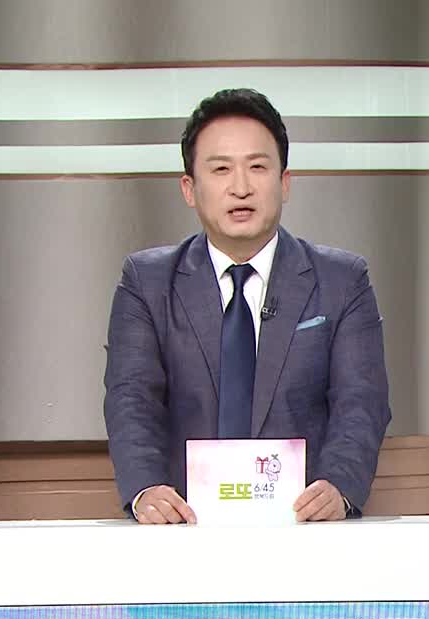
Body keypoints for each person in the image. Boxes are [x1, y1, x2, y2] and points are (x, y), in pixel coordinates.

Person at [104, 88, 392, 524]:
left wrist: (339, 487)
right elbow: (131, 399)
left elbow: (361, 402)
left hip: (304, 527)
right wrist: (147, 490)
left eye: (257, 167)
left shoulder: (342, 280)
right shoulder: (147, 283)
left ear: (285, 182)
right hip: (183, 527)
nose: (241, 187)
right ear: (189, 188)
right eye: (221, 169)